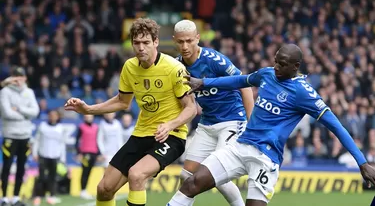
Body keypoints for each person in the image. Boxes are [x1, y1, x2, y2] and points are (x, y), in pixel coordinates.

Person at [167, 44, 375, 206]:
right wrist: (204, 83)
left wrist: (362, 162)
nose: (276, 67)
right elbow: (239, 81)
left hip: (265, 158)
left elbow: (337, 127)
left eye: (282, 64)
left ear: (296, 66)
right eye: (276, 61)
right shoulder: (267, 74)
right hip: (240, 147)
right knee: (191, 183)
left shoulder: (304, 93)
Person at [64, 17, 197, 206]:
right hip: (141, 134)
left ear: (156, 42)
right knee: (104, 189)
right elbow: (122, 102)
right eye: (137, 43)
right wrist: (88, 109)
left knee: (137, 175)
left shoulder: (174, 68)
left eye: (146, 43)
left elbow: (191, 108)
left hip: (171, 136)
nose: (141, 48)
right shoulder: (129, 67)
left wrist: (170, 125)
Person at [173, 19, 254, 206]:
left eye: (189, 41)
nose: (185, 46)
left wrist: (252, 124)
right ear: (174, 40)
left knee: (217, 173)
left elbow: (246, 86)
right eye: (180, 42)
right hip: (207, 124)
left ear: (197, 38)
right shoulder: (176, 66)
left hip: (232, 120)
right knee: (186, 175)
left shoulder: (214, 60)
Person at [0, 67, 40, 206]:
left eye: (21, 76)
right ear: (12, 78)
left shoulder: (29, 92)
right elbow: (6, 113)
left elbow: (35, 112)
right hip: (10, 134)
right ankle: (4, 198)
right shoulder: (5, 92)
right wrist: (25, 115)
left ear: (25, 78)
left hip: (25, 135)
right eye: (16, 76)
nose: (19, 79)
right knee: (6, 167)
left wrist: (19, 109)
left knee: (21, 168)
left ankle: (16, 197)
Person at [32, 110, 66, 206]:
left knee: (53, 177)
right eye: (51, 115)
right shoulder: (43, 126)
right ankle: (37, 197)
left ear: (58, 117)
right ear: (48, 116)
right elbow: (37, 140)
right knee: (41, 177)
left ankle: (51, 196)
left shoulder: (60, 128)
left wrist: (63, 158)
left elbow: (62, 143)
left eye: (55, 115)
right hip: (43, 155)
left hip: (55, 156)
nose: (53, 117)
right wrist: (35, 153)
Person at [75, 114, 100, 200]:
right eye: (87, 117)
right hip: (85, 153)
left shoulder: (96, 127)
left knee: (89, 171)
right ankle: (82, 190)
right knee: (85, 171)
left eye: (90, 117)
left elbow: (98, 140)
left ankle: (85, 190)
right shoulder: (81, 127)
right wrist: (79, 153)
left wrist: (98, 153)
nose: (89, 118)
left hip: (94, 152)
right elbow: (77, 140)